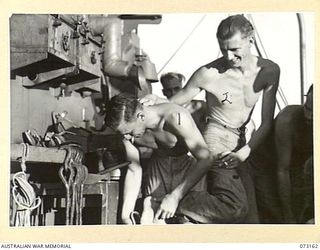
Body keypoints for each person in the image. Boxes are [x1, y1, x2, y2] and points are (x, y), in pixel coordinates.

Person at [140, 14, 280, 223]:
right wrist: (154, 102)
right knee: (236, 208)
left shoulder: (270, 71)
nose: (229, 56)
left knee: (253, 217)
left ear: (250, 41)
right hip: (216, 137)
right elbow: (177, 101)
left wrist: (244, 152)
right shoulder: (209, 73)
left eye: (234, 49)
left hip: (244, 139)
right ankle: (166, 201)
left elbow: (267, 122)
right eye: (223, 49)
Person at [105, 93, 213, 224]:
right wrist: (126, 216)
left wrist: (175, 196)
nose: (127, 138)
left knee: (190, 224)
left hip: (187, 168)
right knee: (153, 223)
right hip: (158, 168)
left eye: (129, 132)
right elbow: (134, 171)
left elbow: (206, 159)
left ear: (141, 116)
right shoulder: (126, 129)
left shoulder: (176, 117)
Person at [275, 85, 313, 223]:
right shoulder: (287, 119)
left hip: (299, 169)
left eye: (315, 111)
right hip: (268, 168)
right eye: (307, 108)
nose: (309, 116)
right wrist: (288, 215)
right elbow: (282, 170)